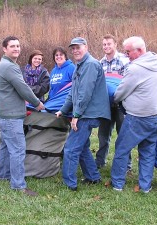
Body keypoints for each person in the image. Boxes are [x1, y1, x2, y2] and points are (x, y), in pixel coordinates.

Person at [110, 36, 157, 193]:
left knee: (122, 149)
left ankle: (117, 184)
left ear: (139, 50)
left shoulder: (135, 69)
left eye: (128, 52)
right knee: (147, 152)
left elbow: (120, 93)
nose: (126, 56)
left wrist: (114, 98)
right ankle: (145, 186)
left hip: (138, 118)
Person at [56, 37, 111, 191]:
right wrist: (63, 110)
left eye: (78, 47)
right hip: (84, 113)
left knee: (71, 148)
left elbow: (85, 93)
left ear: (86, 47)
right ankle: (93, 177)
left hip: (88, 115)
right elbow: (73, 92)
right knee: (83, 147)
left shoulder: (91, 65)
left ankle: (69, 183)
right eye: (72, 48)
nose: (75, 51)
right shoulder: (79, 65)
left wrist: (76, 115)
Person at [0, 36, 45, 196]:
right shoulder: (9, 67)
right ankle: (18, 185)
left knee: (6, 146)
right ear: (4, 49)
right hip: (10, 115)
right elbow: (23, 88)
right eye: (12, 46)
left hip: (4, 113)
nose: (16, 48)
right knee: (17, 149)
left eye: (18, 46)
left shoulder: (8, 64)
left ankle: (3, 175)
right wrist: (37, 103)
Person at [95, 34, 131, 170]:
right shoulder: (100, 63)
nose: (106, 47)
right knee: (103, 135)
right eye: (104, 44)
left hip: (121, 104)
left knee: (123, 134)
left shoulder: (124, 60)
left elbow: (129, 81)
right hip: (106, 105)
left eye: (109, 44)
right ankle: (100, 162)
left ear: (115, 44)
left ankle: (126, 165)